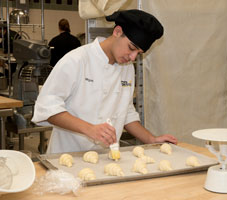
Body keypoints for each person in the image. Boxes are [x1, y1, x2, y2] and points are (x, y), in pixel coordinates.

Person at [32, 9, 178, 154]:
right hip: (67, 155)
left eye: (138, 53)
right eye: (131, 48)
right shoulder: (77, 60)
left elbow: (125, 112)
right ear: (117, 32)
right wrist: (90, 129)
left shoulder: (127, 68)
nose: (133, 58)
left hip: (105, 158)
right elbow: (47, 107)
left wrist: (151, 139)